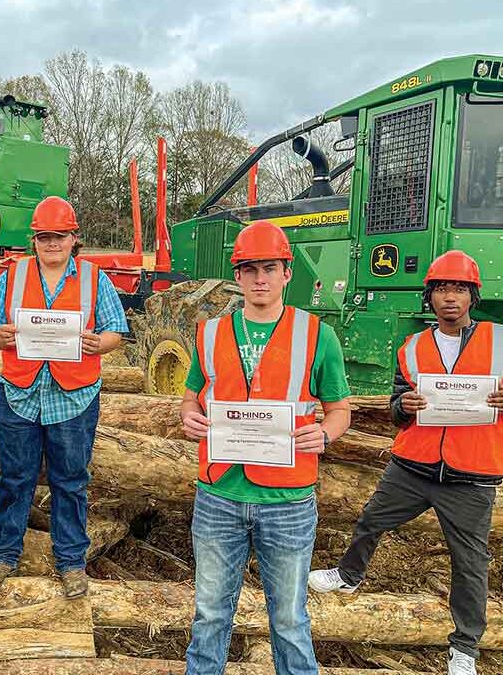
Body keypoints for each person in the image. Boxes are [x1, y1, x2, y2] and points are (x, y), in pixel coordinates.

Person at [308, 250, 503, 675]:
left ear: (472, 295)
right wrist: (405, 404)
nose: (449, 297)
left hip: (471, 475)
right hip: (413, 466)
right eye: (440, 289)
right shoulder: (413, 347)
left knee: (471, 563)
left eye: (458, 289)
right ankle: (348, 575)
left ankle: (464, 649)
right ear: (430, 297)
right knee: (370, 521)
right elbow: (396, 409)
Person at [180, 221, 352, 675]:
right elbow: (191, 395)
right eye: (250, 269)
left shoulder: (318, 335)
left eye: (269, 268)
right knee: (210, 615)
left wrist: (327, 433)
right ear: (236, 275)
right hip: (219, 496)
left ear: (287, 273)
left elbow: (340, 410)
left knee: (290, 619)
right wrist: (187, 416)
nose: (260, 279)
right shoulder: (211, 333)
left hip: (288, 500)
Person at [0, 196, 128, 598]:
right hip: (19, 390)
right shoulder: (13, 276)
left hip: (73, 395)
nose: (51, 244)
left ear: (73, 238)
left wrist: (101, 345)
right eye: (44, 237)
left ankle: (71, 561)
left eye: (59, 236)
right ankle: (3, 555)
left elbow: (116, 328)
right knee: (14, 479)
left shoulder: (95, 279)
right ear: (35, 240)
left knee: (71, 482)